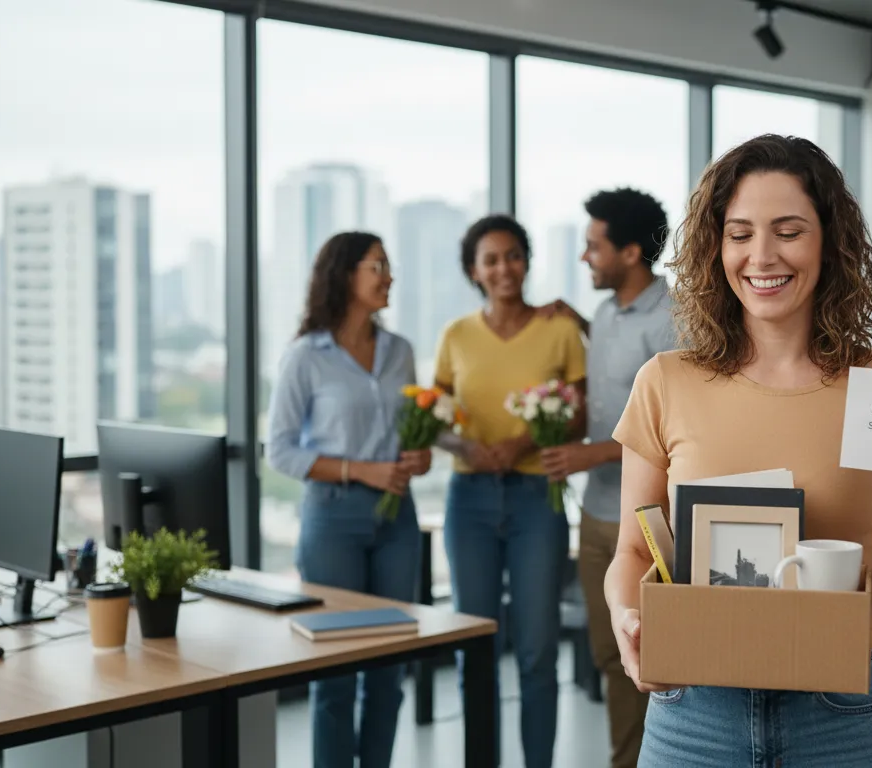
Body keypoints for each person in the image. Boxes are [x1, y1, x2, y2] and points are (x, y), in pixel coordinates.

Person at [602, 135, 872, 767]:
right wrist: (628, 621)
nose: (762, 256)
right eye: (739, 233)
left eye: (788, 231)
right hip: (693, 716)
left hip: (841, 718)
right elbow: (630, 549)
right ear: (715, 247)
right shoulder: (665, 381)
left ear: (829, 243)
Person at [265, 231, 431, 768]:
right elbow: (281, 451)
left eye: (389, 265)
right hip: (332, 519)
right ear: (343, 275)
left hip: (396, 520)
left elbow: (408, 433)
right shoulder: (305, 357)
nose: (389, 276)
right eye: (377, 265)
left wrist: (417, 456)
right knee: (334, 675)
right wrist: (363, 470)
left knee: (389, 670)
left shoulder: (400, 351)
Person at [432, 214, 587, 768]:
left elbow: (578, 416)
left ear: (527, 260)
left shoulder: (559, 330)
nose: (504, 268)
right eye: (491, 260)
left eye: (513, 255)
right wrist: (465, 448)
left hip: (535, 500)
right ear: (474, 271)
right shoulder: (455, 335)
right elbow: (437, 417)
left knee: (537, 649)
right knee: (475, 645)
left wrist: (522, 442)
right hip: (469, 500)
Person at [538, 188, 677, 768]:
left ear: (628, 253)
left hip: (648, 521)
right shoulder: (602, 314)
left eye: (594, 247)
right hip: (597, 516)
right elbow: (615, 385)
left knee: (654, 658)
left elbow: (674, 430)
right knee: (609, 654)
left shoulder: (673, 321)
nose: (584, 258)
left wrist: (588, 455)